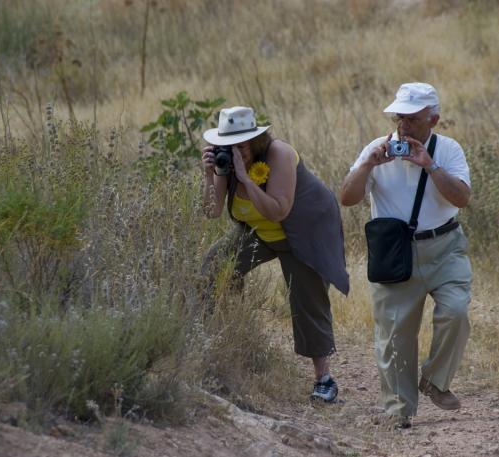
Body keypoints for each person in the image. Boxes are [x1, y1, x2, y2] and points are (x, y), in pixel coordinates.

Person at [339, 83, 472, 429]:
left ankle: (434, 381)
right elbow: (348, 197)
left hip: (445, 247)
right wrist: (369, 164)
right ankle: (400, 411)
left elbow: (461, 198)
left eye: (412, 119)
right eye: (400, 117)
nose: (404, 125)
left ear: (434, 119)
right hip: (395, 252)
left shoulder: (449, 150)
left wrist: (430, 166)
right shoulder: (377, 149)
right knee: (395, 333)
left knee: (456, 311)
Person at [200, 106, 349, 403]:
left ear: (256, 141)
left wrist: (246, 180)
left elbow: (279, 209)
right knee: (212, 269)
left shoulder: (278, 154)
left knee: (307, 299)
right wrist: (209, 175)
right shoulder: (225, 161)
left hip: (303, 229)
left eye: (241, 146)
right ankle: (221, 343)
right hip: (259, 232)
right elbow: (211, 211)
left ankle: (324, 380)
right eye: (228, 146)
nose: (235, 152)